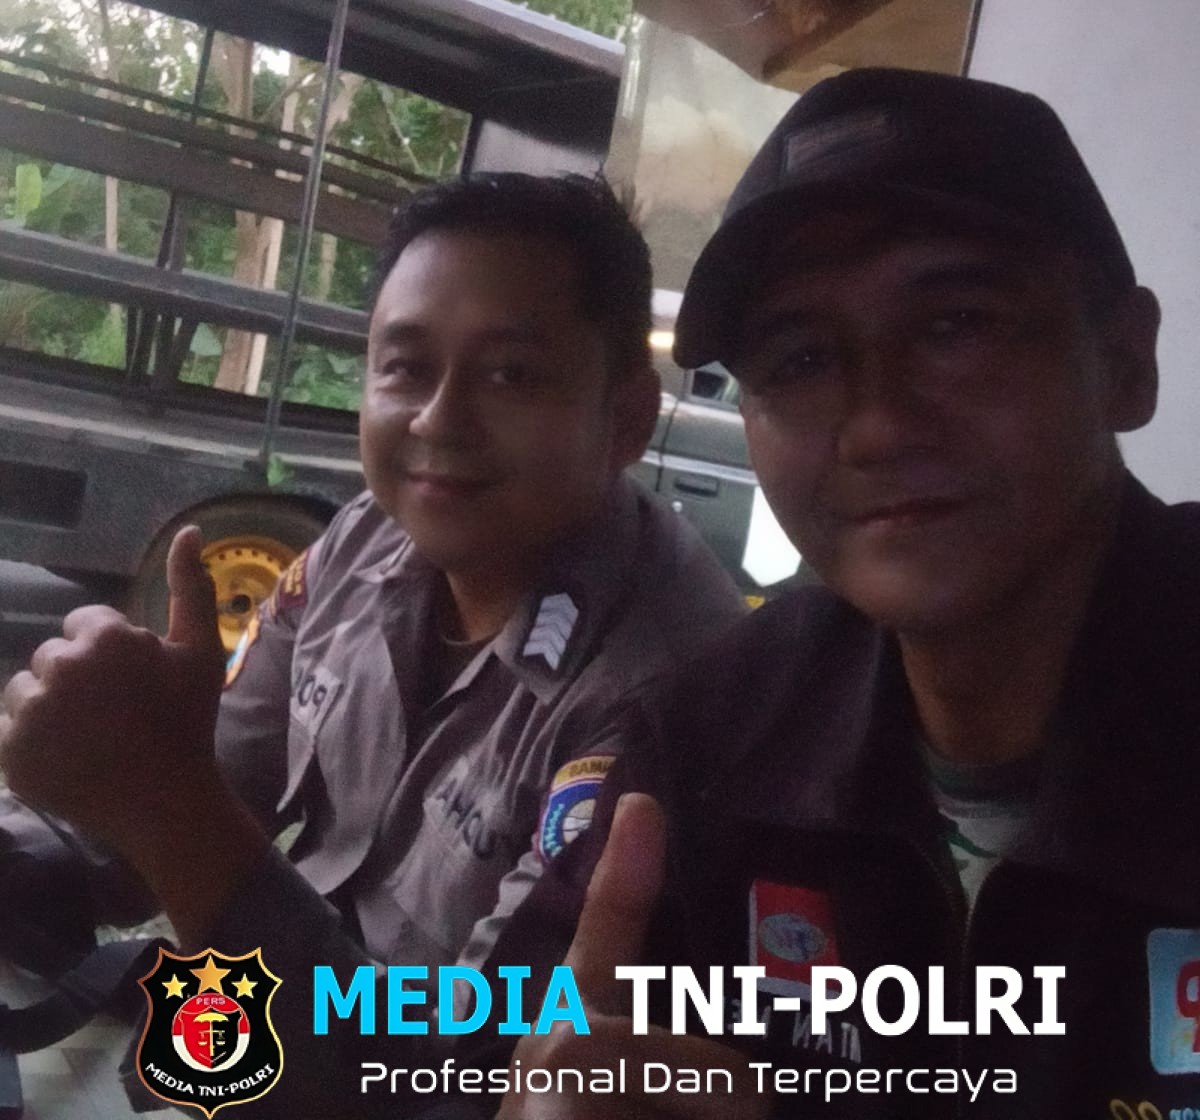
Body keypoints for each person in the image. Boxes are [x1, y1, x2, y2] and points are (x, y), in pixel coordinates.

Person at [465, 69, 1200, 1119]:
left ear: (1125, 361)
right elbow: (503, 1065)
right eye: (801, 358)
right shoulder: (713, 737)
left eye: (956, 325)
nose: (878, 425)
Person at [0, 173, 745, 1114]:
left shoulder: (665, 696)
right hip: (256, 1021)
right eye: (405, 367)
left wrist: (164, 803)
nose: (438, 419)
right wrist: (64, 814)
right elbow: (213, 781)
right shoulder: (365, 545)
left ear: (627, 419)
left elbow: (457, 1077)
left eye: (511, 375)